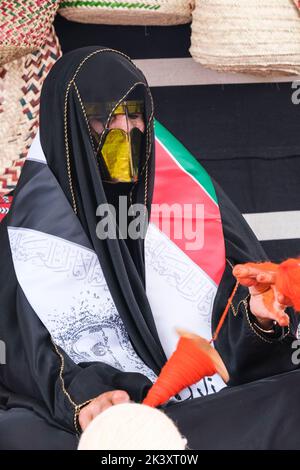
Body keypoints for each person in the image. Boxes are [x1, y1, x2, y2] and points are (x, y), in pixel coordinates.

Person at [0, 46, 299, 450]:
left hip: (204, 411)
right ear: (66, 129)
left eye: (134, 115)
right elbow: (36, 363)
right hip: (107, 424)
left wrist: (259, 319)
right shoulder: (27, 236)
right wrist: (90, 400)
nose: (123, 136)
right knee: (18, 433)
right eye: (103, 120)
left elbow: (240, 351)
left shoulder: (192, 204)